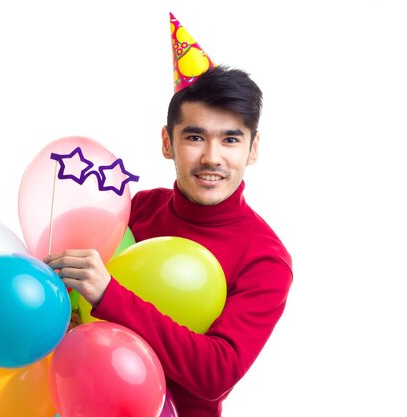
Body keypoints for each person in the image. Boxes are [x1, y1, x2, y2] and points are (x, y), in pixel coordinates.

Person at [44, 14, 293, 417]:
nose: (212, 157)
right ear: (167, 141)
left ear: (253, 149)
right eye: (195, 137)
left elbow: (216, 373)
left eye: (230, 139)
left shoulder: (265, 259)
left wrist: (109, 296)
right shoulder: (136, 209)